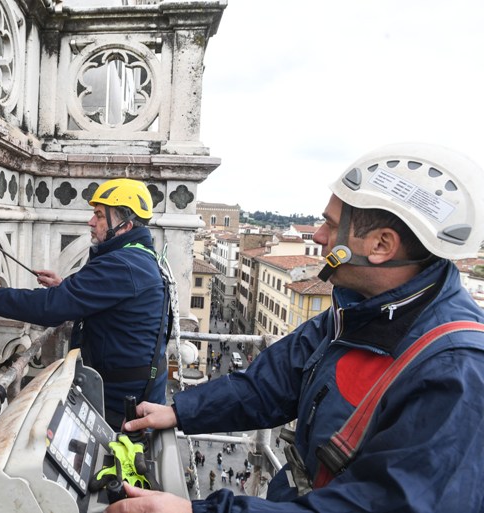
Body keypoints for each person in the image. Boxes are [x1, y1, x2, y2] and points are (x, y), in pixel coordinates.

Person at [104, 143, 484, 513]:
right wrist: (179, 412)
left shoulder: (458, 373)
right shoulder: (355, 311)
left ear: (381, 245)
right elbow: (269, 386)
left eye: (331, 225)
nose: (318, 236)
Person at [0, 178, 168, 430]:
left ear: (124, 226)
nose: (90, 222)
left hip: (120, 404)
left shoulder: (123, 265)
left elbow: (52, 308)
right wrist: (64, 285)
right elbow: (107, 297)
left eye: (99, 216)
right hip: (133, 393)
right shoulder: (139, 256)